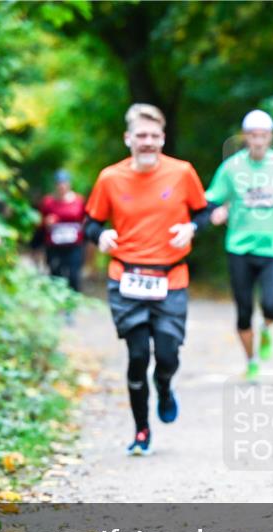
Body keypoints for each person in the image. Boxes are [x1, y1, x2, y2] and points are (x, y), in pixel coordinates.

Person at [84, 103, 215, 456]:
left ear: (163, 138)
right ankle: (141, 430)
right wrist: (101, 237)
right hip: (126, 277)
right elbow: (91, 223)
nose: (148, 142)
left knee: (168, 355)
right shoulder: (110, 178)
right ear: (128, 138)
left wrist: (189, 228)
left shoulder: (182, 172)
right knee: (138, 354)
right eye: (141, 135)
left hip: (170, 277)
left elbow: (203, 214)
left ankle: (165, 385)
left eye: (154, 136)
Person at [205, 110, 273, 379]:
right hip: (239, 247)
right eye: (253, 135)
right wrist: (216, 212)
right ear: (245, 137)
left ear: (271, 137)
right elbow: (212, 199)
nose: (258, 141)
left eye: (263, 135)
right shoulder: (231, 168)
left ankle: (265, 328)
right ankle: (251, 361)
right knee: (243, 311)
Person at [38, 169, 87, 293]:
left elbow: (85, 221)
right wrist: (46, 222)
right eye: (59, 183)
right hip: (54, 246)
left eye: (64, 183)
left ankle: (71, 303)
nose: (62, 186)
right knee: (55, 274)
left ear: (69, 184)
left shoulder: (79, 201)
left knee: (74, 275)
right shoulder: (48, 202)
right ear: (55, 185)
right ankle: (57, 303)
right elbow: (40, 224)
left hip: (74, 245)